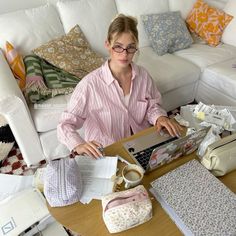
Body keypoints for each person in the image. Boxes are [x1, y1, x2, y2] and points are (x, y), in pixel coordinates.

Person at [57, 14, 182, 159]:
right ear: (108, 45)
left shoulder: (143, 76)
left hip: (142, 143)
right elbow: (65, 124)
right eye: (118, 47)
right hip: (108, 152)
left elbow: (153, 105)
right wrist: (78, 144)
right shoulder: (89, 85)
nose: (124, 54)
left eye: (130, 48)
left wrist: (160, 117)